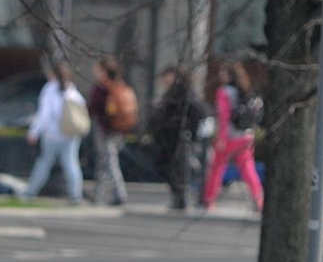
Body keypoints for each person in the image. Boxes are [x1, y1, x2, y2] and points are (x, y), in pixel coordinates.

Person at [201, 62, 265, 211]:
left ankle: (209, 199)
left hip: (229, 137)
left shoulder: (224, 92)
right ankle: (258, 197)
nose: (221, 76)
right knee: (248, 169)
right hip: (246, 136)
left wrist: (221, 138)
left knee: (217, 168)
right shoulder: (247, 91)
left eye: (224, 73)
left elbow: (224, 117)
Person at [25, 59, 88, 201]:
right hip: (70, 134)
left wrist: (34, 132)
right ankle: (75, 195)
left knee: (44, 162)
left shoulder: (49, 90)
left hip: (52, 135)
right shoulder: (72, 91)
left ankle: (30, 192)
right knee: (71, 164)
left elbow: (44, 115)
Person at [85, 57, 138, 208]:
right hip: (118, 129)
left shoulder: (102, 88)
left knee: (109, 161)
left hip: (104, 129)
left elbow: (93, 107)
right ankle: (99, 193)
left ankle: (119, 193)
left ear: (103, 71)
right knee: (105, 161)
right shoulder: (120, 86)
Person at [151, 67, 204, 212]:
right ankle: (179, 197)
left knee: (178, 168)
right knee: (174, 168)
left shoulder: (181, 93)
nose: (164, 81)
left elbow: (195, 112)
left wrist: (181, 126)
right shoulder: (175, 93)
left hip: (178, 136)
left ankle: (180, 198)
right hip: (169, 136)